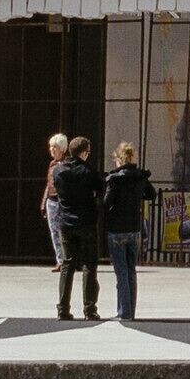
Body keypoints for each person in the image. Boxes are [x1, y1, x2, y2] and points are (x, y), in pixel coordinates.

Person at [50, 134, 103, 321]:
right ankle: (90, 309)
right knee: (89, 265)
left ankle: (62, 308)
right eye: (87, 152)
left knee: (67, 265)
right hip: (86, 222)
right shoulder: (88, 171)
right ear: (83, 153)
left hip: (66, 223)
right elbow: (100, 189)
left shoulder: (58, 171)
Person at [100, 139, 154, 321]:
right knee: (131, 270)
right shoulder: (140, 177)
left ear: (119, 159)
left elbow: (107, 203)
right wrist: (138, 196)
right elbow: (152, 194)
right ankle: (131, 310)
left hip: (117, 228)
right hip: (134, 228)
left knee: (121, 271)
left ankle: (124, 312)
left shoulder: (115, 179)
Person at [39, 130, 69, 275]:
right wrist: (44, 202)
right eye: (51, 147)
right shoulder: (52, 164)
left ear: (62, 149)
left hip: (62, 201)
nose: (52, 150)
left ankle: (67, 259)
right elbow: (48, 184)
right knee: (54, 232)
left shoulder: (66, 164)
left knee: (64, 231)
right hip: (51, 201)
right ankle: (60, 259)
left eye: (55, 147)